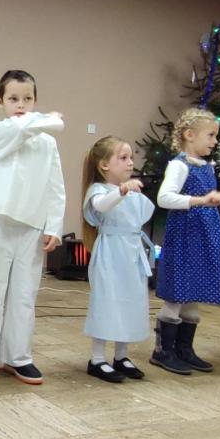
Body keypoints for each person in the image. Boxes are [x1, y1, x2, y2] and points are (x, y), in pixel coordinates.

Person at [0, 69, 65, 389]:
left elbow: (56, 187)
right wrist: (48, 118)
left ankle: (18, 356)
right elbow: (23, 127)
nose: (21, 105)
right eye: (13, 99)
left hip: (32, 224)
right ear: (0, 102)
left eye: (27, 99)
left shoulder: (47, 142)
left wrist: (54, 226)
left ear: (35, 100)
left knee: (24, 293)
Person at [153, 107, 220, 376]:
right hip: (185, 238)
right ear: (189, 135)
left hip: (202, 237)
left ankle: (184, 349)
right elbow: (164, 198)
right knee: (178, 291)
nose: (215, 141)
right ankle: (163, 351)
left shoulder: (206, 166)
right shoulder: (179, 165)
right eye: (211, 135)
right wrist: (200, 200)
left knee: (193, 292)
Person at [81, 135, 152, 384]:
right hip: (111, 252)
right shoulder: (99, 190)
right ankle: (97, 358)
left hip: (131, 253)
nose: (130, 162)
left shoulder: (132, 192)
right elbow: (101, 206)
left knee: (130, 300)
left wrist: (127, 191)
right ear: (104, 165)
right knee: (107, 301)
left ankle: (121, 355)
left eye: (131, 157)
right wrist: (122, 190)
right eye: (123, 158)